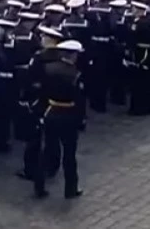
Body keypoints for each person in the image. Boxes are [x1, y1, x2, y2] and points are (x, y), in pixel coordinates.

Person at [44, 40, 84, 200]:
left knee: (48, 149)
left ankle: (39, 185)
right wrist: (82, 120)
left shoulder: (49, 68)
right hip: (69, 115)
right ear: (73, 55)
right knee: (69, 155)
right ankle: (70, 189)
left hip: (51, 111)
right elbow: (80, 101)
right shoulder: (75, 75)